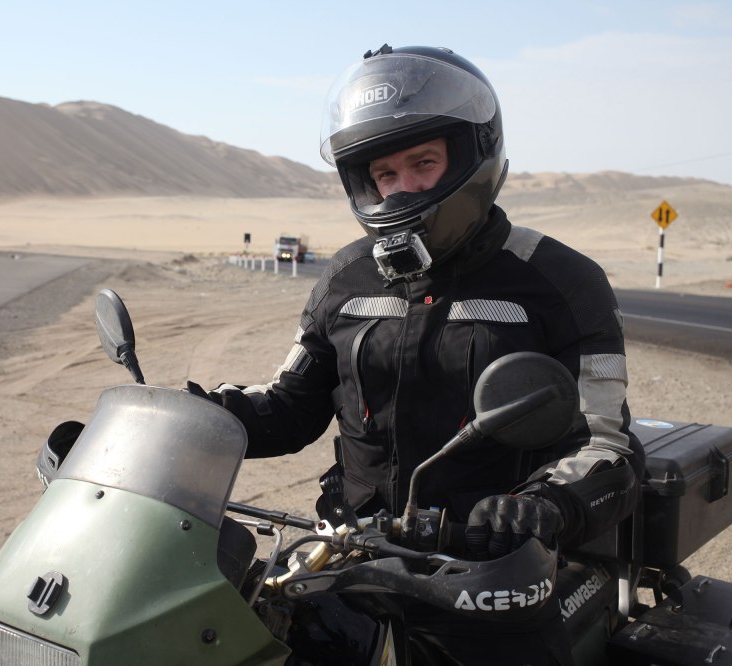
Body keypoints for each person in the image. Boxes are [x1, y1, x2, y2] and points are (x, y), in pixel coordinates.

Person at [191, 44, 645, 665]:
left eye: (423, 163)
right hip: (345, 561)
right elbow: (290, 407)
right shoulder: (345, 279)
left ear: (473, 155)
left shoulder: (560, 282)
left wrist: (540, 508)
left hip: (489, 578)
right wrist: (193, 416)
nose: (403, 187)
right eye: (385, 174)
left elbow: (607, 445)